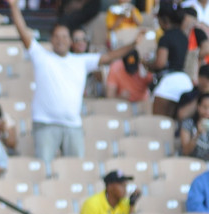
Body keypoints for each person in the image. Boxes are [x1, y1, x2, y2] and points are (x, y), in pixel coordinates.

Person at [7, 0, 140, 165]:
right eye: (56, 36)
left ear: (71, 41)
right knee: (45, 168)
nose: (60, 40)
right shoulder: (42, 56)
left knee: (76, 169)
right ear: (51, 39)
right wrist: (13, 6)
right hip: (45, 124)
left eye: (64, 36)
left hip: (73, 125)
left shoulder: (80, 61)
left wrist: (133, 44)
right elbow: (23, 33)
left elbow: (108, 57)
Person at [145, 3, 193, 118]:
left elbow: (160, 63)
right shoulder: (183, 36)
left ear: (164, 20)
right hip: (186, 80)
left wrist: (147, 64)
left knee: (159, 121)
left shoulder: (165, 37)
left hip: (169, 81)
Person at [180, 93, 209, 160]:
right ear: (198, 107)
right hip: (189, 163)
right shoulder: (188, 124)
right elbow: (186, 151)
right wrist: (197, 134)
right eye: (204, 107)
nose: (207, 112)